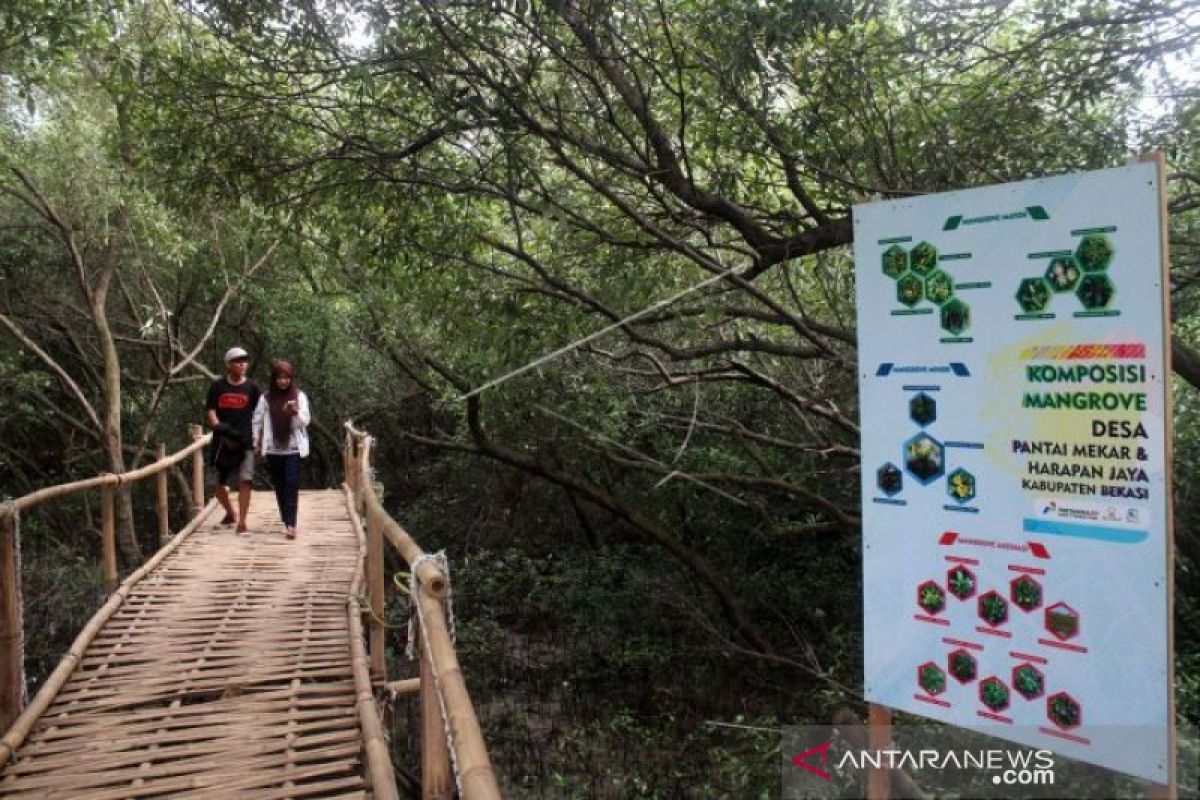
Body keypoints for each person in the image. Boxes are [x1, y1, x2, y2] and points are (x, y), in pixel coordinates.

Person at [205, 346, 261, 535]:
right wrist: (219, 427)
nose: (242, 364)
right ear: (229, 364)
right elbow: (211, 411)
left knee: (245, 480)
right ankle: (230, 512)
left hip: (245, 442)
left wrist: (259, 440)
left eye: (245, 360)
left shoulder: (252, 388)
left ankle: (242, 523)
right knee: (215, 483)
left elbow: (260, 414)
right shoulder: (217, 386)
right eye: (238, 361)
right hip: (222, 441)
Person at [252, 360, 311, 539]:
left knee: (291, 484)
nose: (283, 381)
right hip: (273, 449)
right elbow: (257, 420)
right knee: (279, 486)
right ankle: (286, 522)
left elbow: (306, 420)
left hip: (293, 448)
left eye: (286, 378)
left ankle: (291, 524)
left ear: (291, 378)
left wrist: (295, 412)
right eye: (279, 378)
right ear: (274, 379)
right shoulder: (266, 398)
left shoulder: (299, 396)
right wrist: (255, 441)